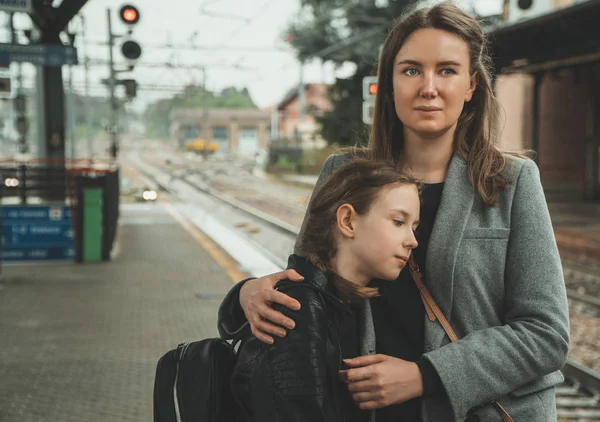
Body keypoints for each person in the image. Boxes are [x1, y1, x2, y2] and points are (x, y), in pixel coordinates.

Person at [219, 2, 570, 421]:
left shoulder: (511, 182)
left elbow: (546, 333)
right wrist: (244, 296)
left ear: (471, 84)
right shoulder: (344, 174)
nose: (428, 87)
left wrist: (427, 375)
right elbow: (309, 291)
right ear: (389, 83)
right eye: (410, 70)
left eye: (446, 70)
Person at [228, 158, 421, 422]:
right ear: (348, 221)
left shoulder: (342, 302)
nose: (412, 241)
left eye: (414, 227)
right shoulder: (299, 311)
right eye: (399, 222)